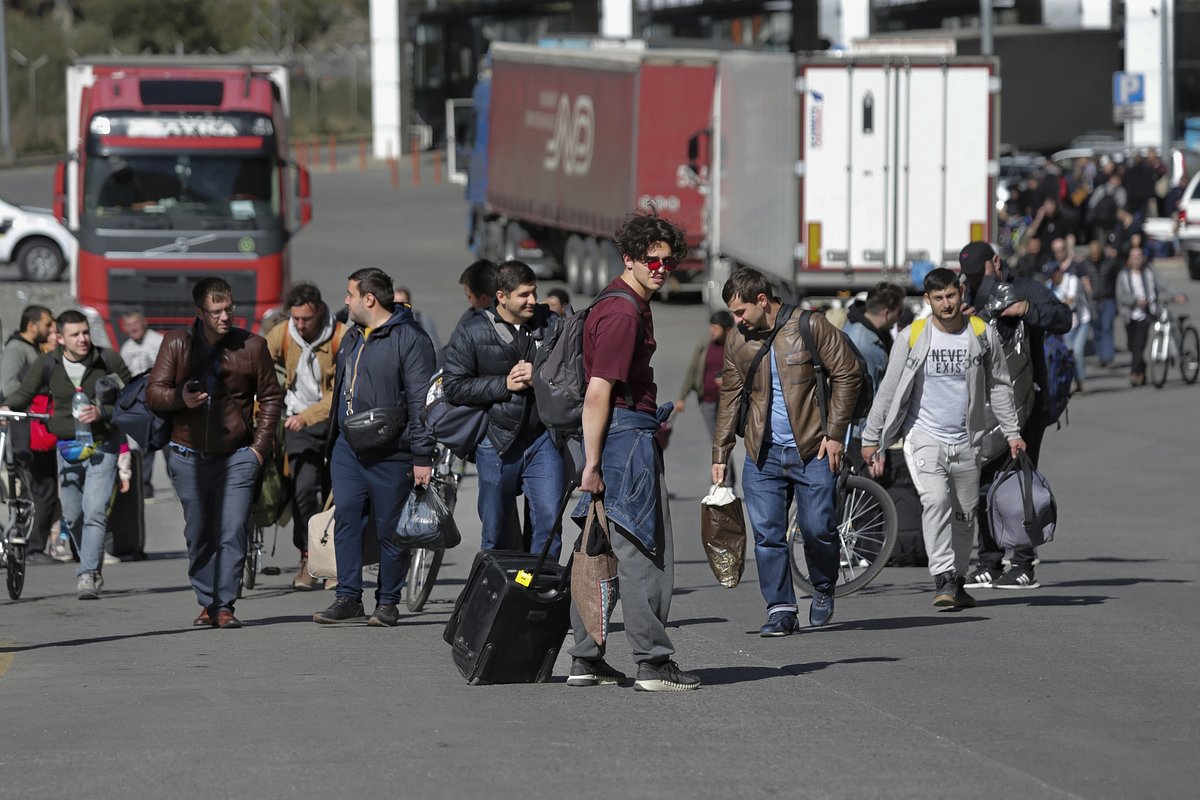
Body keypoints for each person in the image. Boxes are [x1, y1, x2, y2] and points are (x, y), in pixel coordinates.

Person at [567, 213, 699, 692]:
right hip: (622, 440)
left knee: (596, 549)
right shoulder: (623, 312)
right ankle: (653, 663)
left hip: (614, 438)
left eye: (668, 261)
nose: (662, 268)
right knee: (644, 552)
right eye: (652, 260)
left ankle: (586, 659)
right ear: (630, 258)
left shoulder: (619, 301)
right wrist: (594, 464)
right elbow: (599, 391)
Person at [861, 268, 1024, 609]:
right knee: (936, 500)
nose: (946, 304)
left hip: (968, 440)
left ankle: (959, 578)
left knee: (965, 514)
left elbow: (1000, 385)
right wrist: (871, 436)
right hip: (924, 436)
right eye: (938, 298)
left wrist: (1012, 432)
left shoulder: (980, 333)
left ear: (960, 294)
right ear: (928, 301)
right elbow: (889, 390)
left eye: (951, 296)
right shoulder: (913, 335)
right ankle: (943, 577)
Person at [712, 267, 863, 636]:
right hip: (763, 453)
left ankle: (824, 586)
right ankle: (781, 609)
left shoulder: (810, 326)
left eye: (741, 311)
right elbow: (730, 396)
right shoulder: (737, 340)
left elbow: (848, 373)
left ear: (762, 301)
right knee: (767, 535)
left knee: (817, 529)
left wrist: (835, 433)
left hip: (813, 449)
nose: (736, 321)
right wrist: (720, 454)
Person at [147, 278, 284, 628]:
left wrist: (258, 448)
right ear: (199, 313)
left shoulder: (252, 346)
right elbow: (154, 393)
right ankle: (207, 600)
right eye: (216, 312)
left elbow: (271, 397)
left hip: (238, 455)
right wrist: (181, 398)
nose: (224, 317)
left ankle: (224, 605)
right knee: (200, 532)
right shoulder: (177, 342)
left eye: (229, 310)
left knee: (232, 529)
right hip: (187, 455)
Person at [314, 268, 435, 627]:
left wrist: (422, 456)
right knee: (347, 516)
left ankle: (387, 602)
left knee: (390, 528)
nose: (346, 301)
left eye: (350, 294)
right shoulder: (352, 336)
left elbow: (420, 401)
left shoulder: (411, 339)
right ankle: (348, 596)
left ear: (369, 299)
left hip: (391, 450)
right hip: (348, 448)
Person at [958, 241, 1071, 590]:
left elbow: (1064, 318)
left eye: (981, 272)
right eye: (971, 275)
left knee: (1018, 481)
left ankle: (1023, 564)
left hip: (1026, 404)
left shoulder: (1025, 289)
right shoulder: (967, 295)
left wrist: (1028, 309)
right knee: (982, 484)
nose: (977, 280)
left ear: (995, 261)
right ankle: (990, 562)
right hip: (982, 406)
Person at [3, 310, 132, 600]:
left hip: (103, 444)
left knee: (95, 511)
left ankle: (88, 574)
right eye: (75, 334)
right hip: (67, 447)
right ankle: (90, 559)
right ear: (60, 338)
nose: (83, 339)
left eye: (85, 332)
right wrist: (7, 409)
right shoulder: (48, 363)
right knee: (73, 517)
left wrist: (104, 412)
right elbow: (23, 394)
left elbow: (134, 394)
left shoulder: (107, 358)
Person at [443, 260, 564, 557]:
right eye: (524, 295)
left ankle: (538, 592)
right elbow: (454, 387)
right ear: (501, 296)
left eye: (534, 292)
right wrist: (504, 384)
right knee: (495, 533)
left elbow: (574, 372)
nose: (533, 301)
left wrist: (538, 377)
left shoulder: (552, 324)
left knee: (549, 524)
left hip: (542, 440)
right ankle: (497, 596)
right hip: (496, 442)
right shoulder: (471, 331)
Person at [266, 283, 346, 590]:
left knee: (334, 492)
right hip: (296, 425)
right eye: (296, 318)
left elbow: (339, 392)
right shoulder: (284, 333)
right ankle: (307, 557)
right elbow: (259, 364)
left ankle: (331, 563)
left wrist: (308, 416)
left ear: (320, 311)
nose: (300, 325)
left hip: (331, 422)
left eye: (306, 319)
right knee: (304, 492)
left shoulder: (339, 336)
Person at [0, 305, 60, 563]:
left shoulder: (33, 349)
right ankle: (33, 548)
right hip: (25, 430)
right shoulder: (17, 350)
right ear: (32, 325)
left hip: (37, 428)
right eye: (47, 325)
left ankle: (35, 545)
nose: (50, 331)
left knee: (43, 488)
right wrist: (39, 381)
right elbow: (9, 387)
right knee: (38, 488)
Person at [674, 310, 735, 485]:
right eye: (711, 327)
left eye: (716, 328)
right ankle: (725, 482)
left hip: (728, 403)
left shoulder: (735, 346)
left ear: (727, 330)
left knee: (722, 441)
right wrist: (682, 397)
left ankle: (724, 482)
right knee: (718, 441)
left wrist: (727, 382)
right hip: (707, 401)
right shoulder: (705, 344)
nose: (712, 331)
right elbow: (693, 370)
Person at [1117, 246, 1185, 388]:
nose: (1136, 259)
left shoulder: (1149, 272)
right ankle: (1141, 370)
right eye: (1133, 256)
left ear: (1143, 258)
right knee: (1132, 346)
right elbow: (1121, 296)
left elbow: (1164, 284)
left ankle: (1135, 373)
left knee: (1139, 345)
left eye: (1139, 256)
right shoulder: (1123, 276)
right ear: (1129, 259)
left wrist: (1176, 294)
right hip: (1130, 315)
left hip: (1148, 313)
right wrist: (1135, 301)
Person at [118, 309, 164, 497]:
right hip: (141, 405)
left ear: (144, 322)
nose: (133, 328)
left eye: (135, 323)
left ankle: (180, 483)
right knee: (145, 445)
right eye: (128, 325)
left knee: (170, 446)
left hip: (162, 401)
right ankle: (145, 487)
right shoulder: (126, 349)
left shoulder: (158, 341)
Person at [1045, 259, 1090, 394]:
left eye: (1053, 274)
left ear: (1059, 272)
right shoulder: (1049, 285)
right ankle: (1072, 381)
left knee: (1077, 351)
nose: (1051, 278)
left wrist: (1055, 306)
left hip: (1082, 320)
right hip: (1065, 325)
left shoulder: (1072, 280)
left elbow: (1070, 301)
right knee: (1068, 352)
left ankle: (1080, 382)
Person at [1085, 240, 1123, 368]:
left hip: (1108, 299)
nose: (1095, 256)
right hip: (1093, 301)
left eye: (1097, 253)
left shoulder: (1109, 263)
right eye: (1093, 253)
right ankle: (1101, 356)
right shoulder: (1086, 264)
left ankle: (1109, 357)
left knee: (1107, 327)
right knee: (1097, 329)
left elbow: (1121, 268)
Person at [393, 286, 443, 366]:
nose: (398, 306)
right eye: (395, 302)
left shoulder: (422, 319)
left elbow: (435, 346)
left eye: (402, 302)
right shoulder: (386, 322)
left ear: (410, 303)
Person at [457, 259, 498, 330]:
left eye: (469, 297)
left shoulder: (469, 326)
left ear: (484, 299)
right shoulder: (518, 318)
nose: (469, 301)